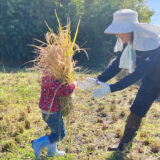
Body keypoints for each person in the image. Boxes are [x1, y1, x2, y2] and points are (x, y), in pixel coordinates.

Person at [80, 9, 160, 151]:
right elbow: (117, 65)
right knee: (136, 109)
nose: (116, 34)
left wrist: (111, 88)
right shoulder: (127, 41)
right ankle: (123, 145)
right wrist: (98, 79)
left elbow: (137, 74)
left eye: (119, 30)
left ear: (131, 29)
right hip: (151, 79)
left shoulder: (151, 43)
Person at [32, 50, 76, 159]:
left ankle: (52, 151)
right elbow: (64, 91)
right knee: (60, 134)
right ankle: (38, 143)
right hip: (53, 112)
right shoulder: (53, 79)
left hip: (47, 111)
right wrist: (73, 85)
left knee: (54, 131)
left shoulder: (46, 76)